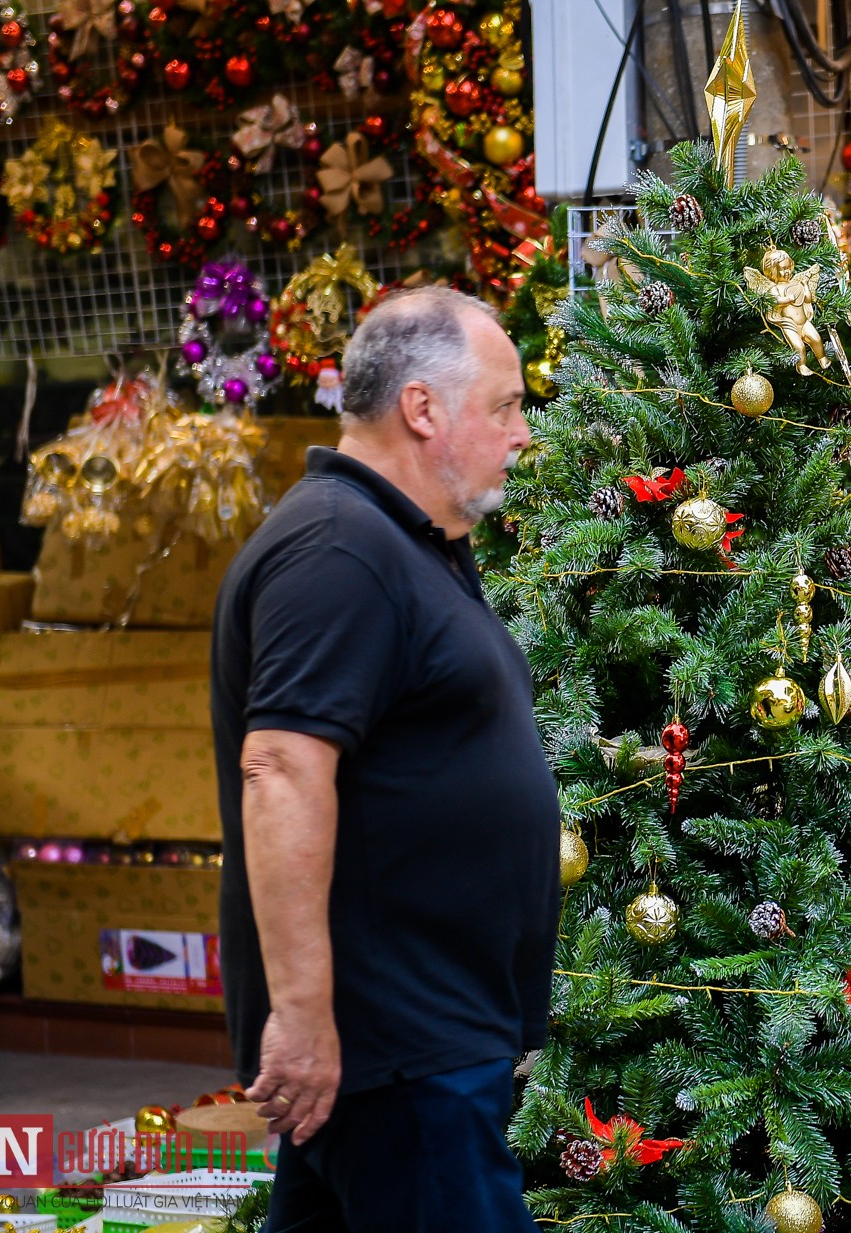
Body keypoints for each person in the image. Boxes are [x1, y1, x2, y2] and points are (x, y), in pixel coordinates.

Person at [211, 286, 555, 1233]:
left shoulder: (402, 544)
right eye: (507, 405)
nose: (523, 432)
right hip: (399, 1052)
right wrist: (306, 1015)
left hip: (420, 1050)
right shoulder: (340, 548)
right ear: (422, 408)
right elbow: (280, 766)